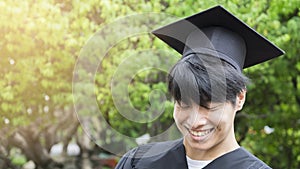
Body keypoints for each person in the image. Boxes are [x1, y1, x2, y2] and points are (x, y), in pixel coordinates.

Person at [115, 5, 284, 169]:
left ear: (239, 98)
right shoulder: (139, 163)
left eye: (208, 106)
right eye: (185, 104)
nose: (195, 121)